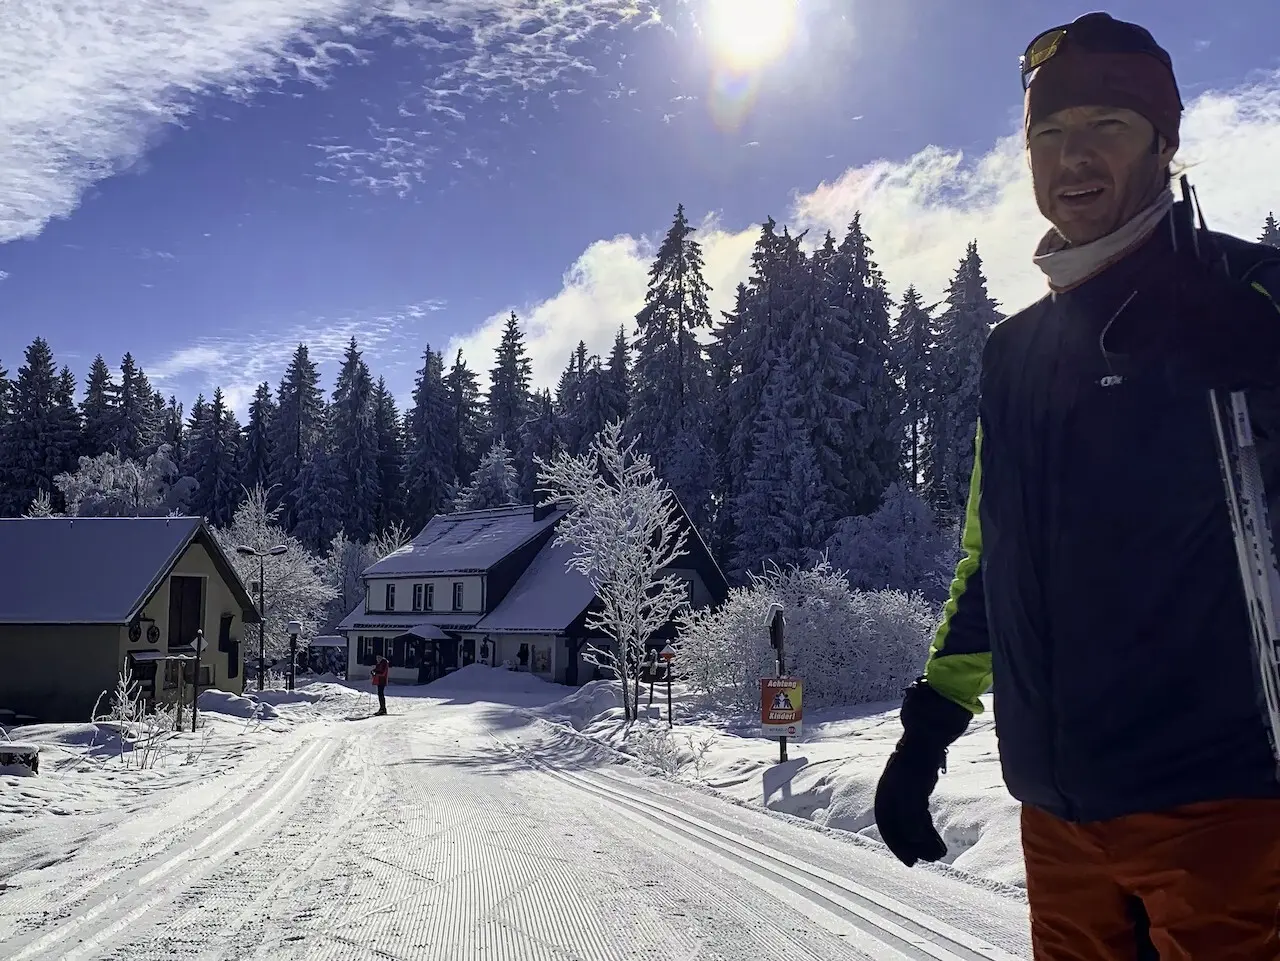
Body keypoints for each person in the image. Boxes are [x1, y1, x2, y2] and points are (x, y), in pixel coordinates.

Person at [873, 12, 1280, 960]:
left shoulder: (1250, 291)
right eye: (1049, 134)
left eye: (1108, 124)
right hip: (1056, 814)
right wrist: (928, 727)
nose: (1074, 156)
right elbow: (990, 557)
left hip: (1221, 804)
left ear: (1164, 141)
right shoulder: (1016, 351)